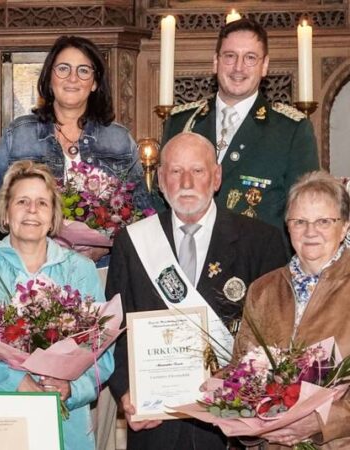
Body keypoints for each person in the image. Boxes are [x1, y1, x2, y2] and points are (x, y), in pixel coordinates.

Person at [106, 132, 288, 449]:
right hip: (155, 425)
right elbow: (114, 332)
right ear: (160, 179)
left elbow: (276, 336)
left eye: (198, 171)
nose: (186, 182)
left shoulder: (261, 241)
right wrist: (125, 391)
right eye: (176, 171)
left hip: (229, 425)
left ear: (216, 177)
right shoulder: (131, 243)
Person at [0, 160, 114, 450]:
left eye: (42, 203)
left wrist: (71, 388)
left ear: (53, 217)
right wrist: (16, 382)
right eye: (22, 201)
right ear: (6, 211)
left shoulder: (81, 269)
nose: (32, 210)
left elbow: (102, 350)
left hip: (66, 422)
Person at [0, 36, 152, 264]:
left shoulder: (119, 139)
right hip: (32, 264)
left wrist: (104, 247)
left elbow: (142, 213)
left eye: (83, 70)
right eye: (63, 68)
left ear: (95, 83)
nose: (72, 78)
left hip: (102, 266)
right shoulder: (19, 134)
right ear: (49, 78)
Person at [162, 18, 319, 230]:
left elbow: (306, 212)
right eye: (230, 56)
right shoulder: (182, 122)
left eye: (250, 58)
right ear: (215, 62)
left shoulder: (291, 131)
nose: (238, 67)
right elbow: (161, 200)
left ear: (264, 66)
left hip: (259, 250)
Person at [233, 171, 350, 449]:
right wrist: (249, 424)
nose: (310, 232)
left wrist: (321, 421)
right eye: (300, 222)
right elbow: (241, 373)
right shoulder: (263, 290)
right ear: (288, 227)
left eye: (323, 221)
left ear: (345, 226)